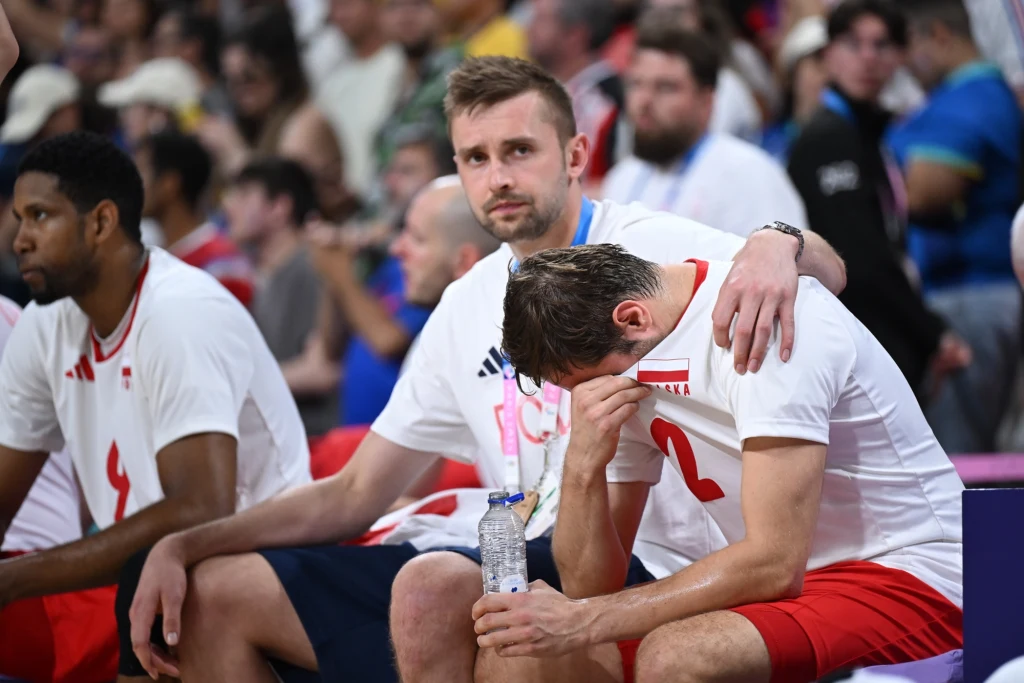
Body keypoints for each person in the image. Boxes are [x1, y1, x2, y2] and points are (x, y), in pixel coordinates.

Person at [123, 56, 846, 683]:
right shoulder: (467, 302)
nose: (496, 178)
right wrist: (186, 542)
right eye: (475, 157)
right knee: (219, 589)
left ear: (573, 156)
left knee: (452, 590)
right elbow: (355, 490)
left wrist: (776, 243)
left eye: (519, 150)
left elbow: (831, 268)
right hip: (520, 551)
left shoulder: (646, 245)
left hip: (653, 556)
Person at [481, 242, 963, 683]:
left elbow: (775, 563)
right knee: (518, 658)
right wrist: (582, 463)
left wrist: (583, 619)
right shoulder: (614, 366)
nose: (584, 400)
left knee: (678, 656)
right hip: (798, 586)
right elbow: (590, 584)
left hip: (909, 568)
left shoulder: (763, 319)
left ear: (632, 319)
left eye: (584, 384)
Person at [0, 132, 311, 678]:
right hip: (151, 570)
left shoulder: (178, 313)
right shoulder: (45, 325)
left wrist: (16, 580)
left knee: (168, 581)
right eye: (18, 218)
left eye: (39, 216)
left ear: (100, 222)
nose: (18, 238)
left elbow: (200, 508)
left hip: (263, 563)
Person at [787, 0, 970, 396]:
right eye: (853, 44)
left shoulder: (871, 131)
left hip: (879, 334)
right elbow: (861, 259)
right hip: (858, 340)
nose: (868, 58)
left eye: (882, 44)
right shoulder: (827, 139)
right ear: (829, 55)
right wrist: (930, 333)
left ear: (900, 56)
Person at [888, 0, 1022, 454]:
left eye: (909, 45)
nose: (903, 62)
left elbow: (925, 192)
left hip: (972, 294)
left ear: (939, 35)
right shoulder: (958, 98)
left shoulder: (970, 99)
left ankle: (968, 530)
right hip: (965, 292)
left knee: (955, 455)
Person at [601, 18, 807, 237]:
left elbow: (785, 264)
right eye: (636, 84)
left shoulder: (749, 174)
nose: (644, 101)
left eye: (666, 87)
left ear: (706, 100)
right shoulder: (622, 177)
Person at [225, 157, 336, 437]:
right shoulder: (265, 273)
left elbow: (320, 371)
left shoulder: (308, 269)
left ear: (279, 208)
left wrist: (234, 385)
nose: (228, 205)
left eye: (245, 194)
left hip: (310, 439)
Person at [134, 130, 255, 308]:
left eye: (141, 172)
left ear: (170, 183)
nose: (132, 185)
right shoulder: (148, 256)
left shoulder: (222, 268)